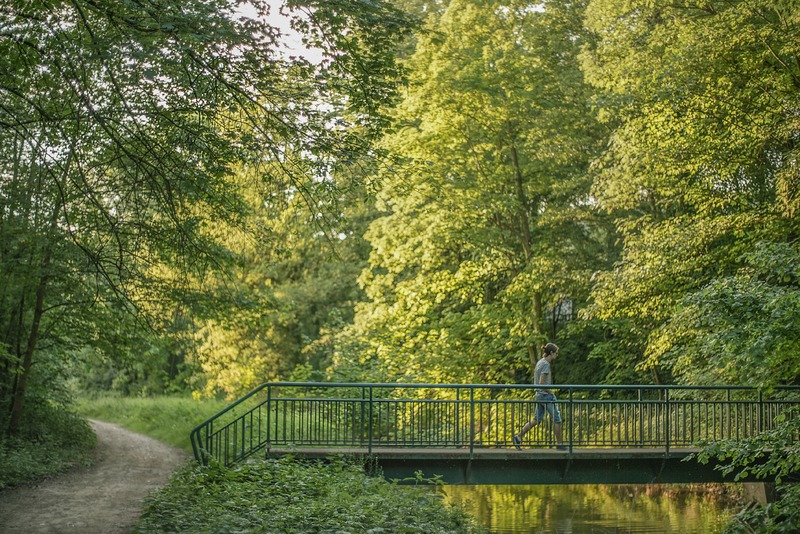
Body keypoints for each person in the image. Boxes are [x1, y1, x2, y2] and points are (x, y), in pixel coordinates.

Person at [513, 343, 567, 450]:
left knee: (536, 420)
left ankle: (518, 436)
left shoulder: (539, 362)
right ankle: (560, 445)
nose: (557, 355)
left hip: (539, 395)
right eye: (556, 353)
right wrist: (551, 392)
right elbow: (542, 383)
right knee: (557, 419)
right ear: (551, 353)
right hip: (546, 396)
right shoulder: (546, 364)